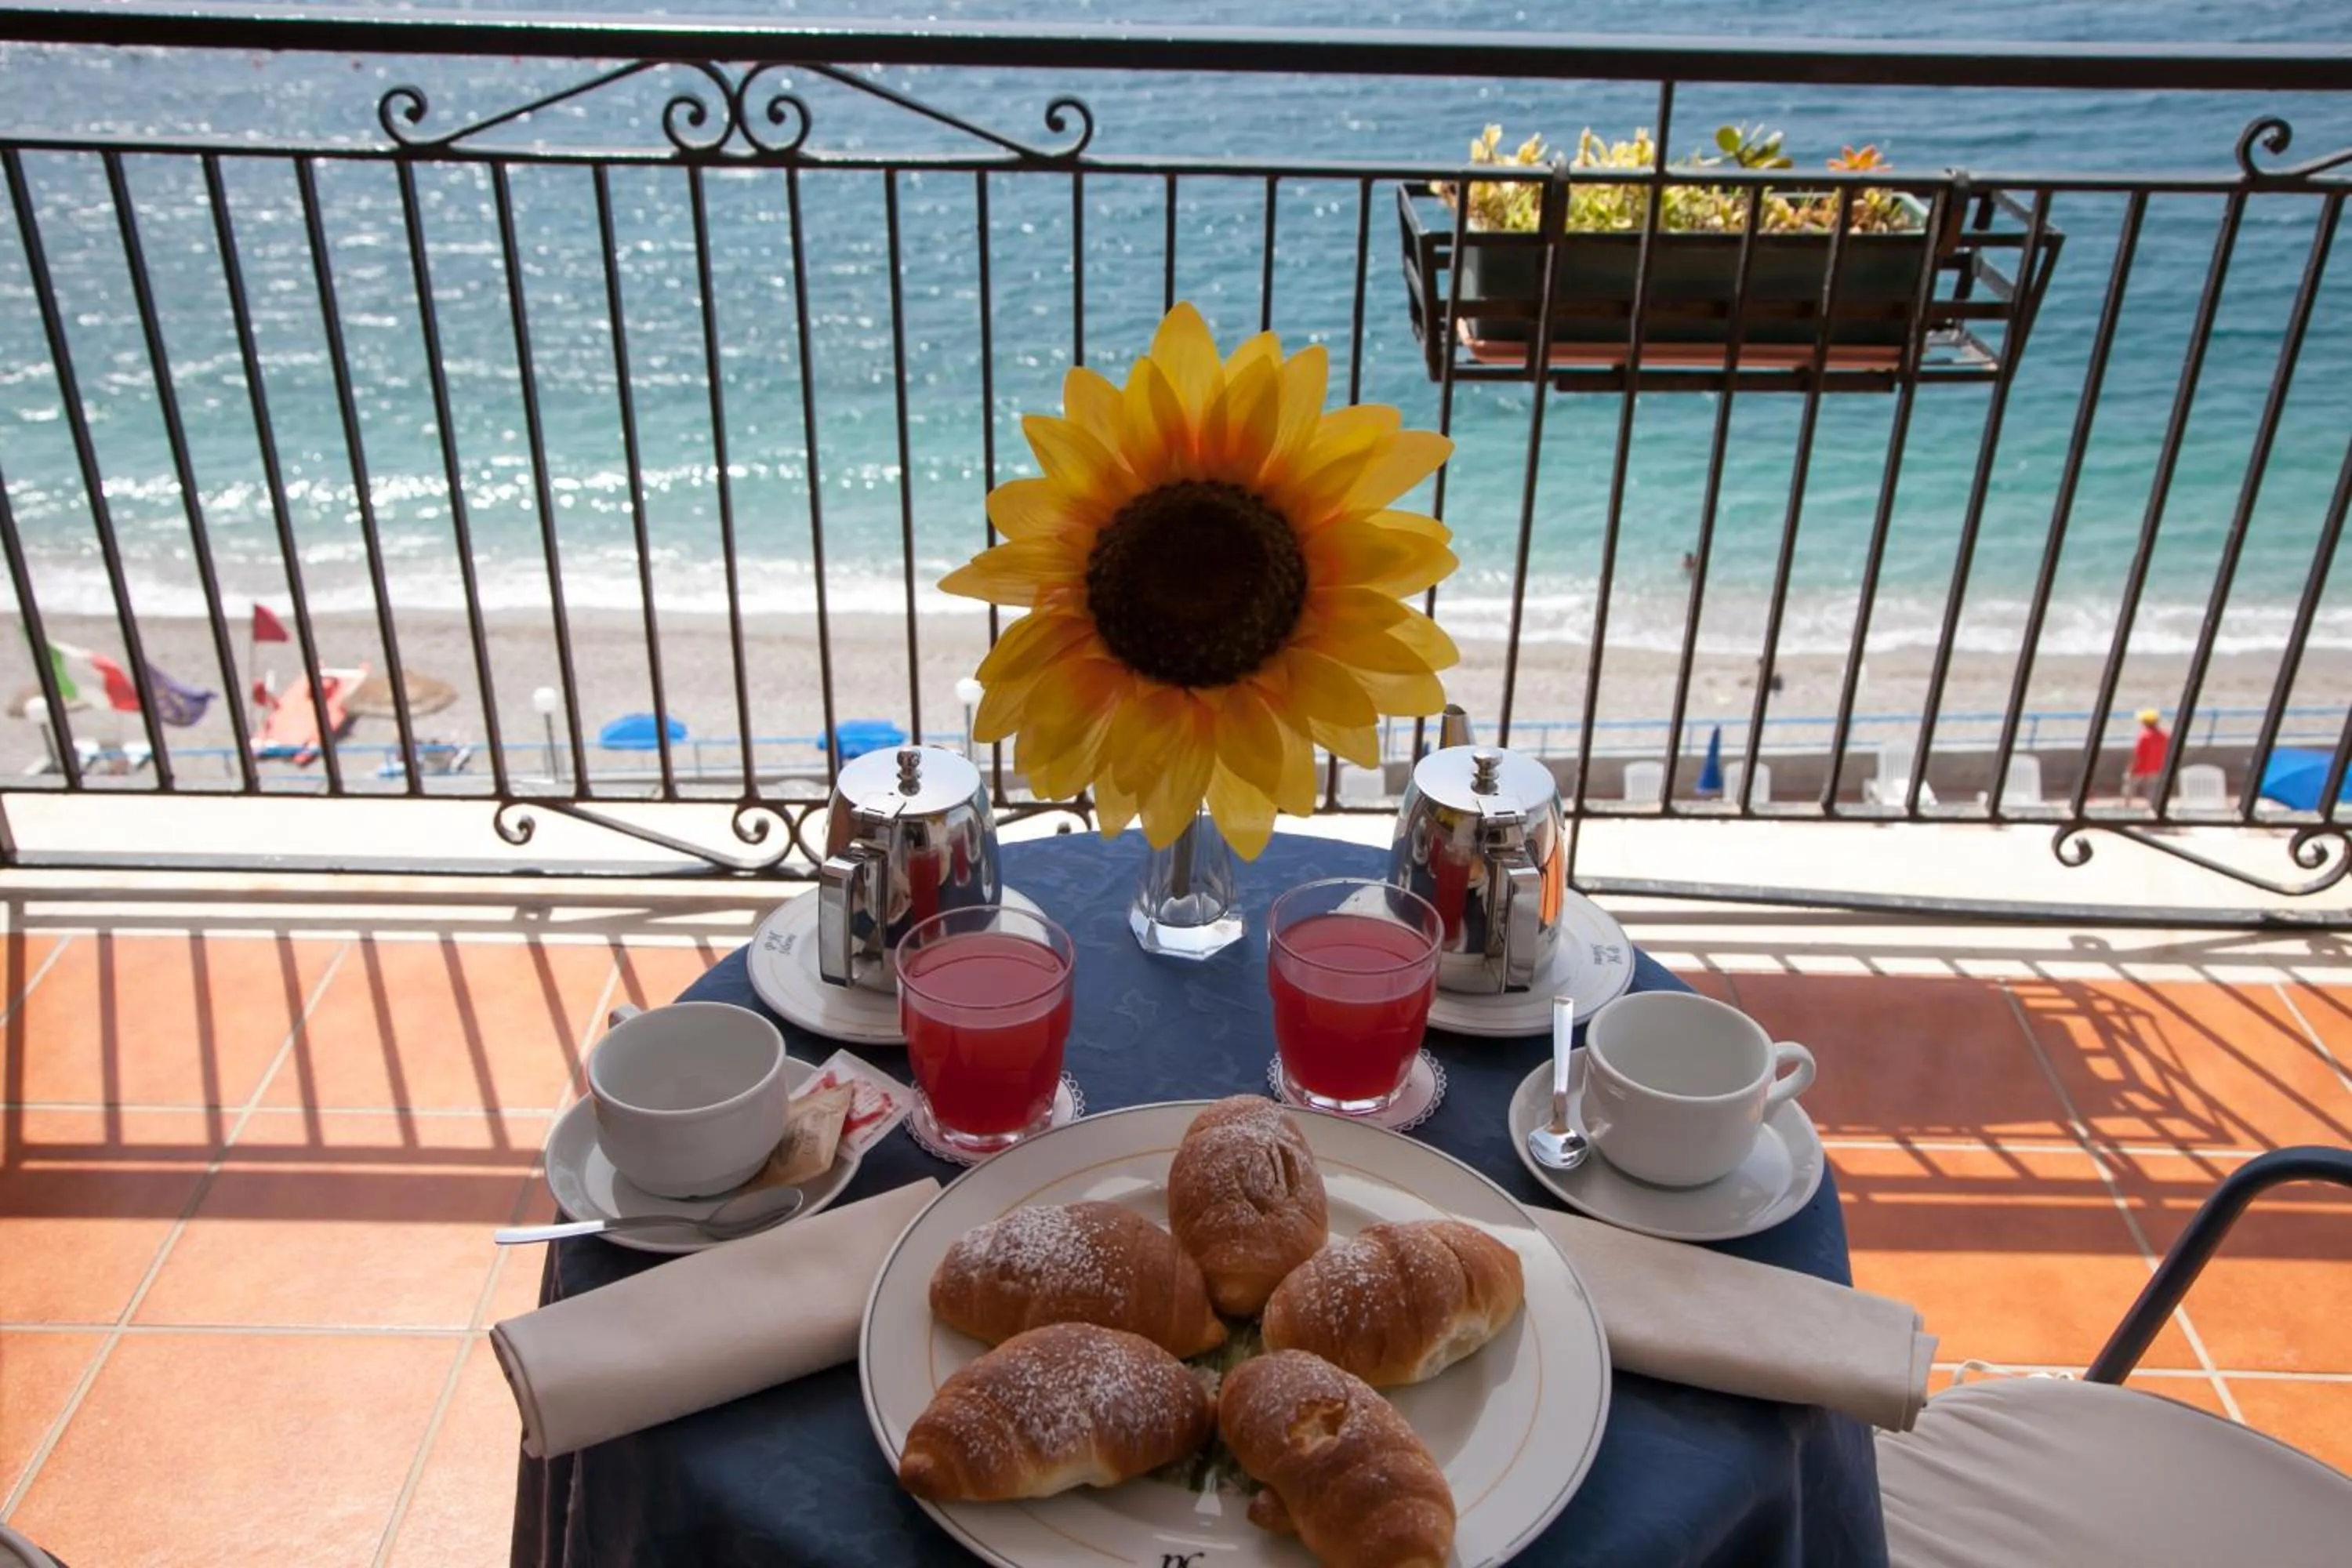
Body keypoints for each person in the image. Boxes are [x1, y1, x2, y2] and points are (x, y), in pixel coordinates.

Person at [2122, 708, 2170, 804]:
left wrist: (2129, 769)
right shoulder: (2165, 736)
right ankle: (2153, 806)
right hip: (2156, 768)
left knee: (2130, 785)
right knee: (2152, 790)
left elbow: (2137, 755)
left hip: (2140, 768)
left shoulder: (2144, 736)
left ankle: (2127, 804)